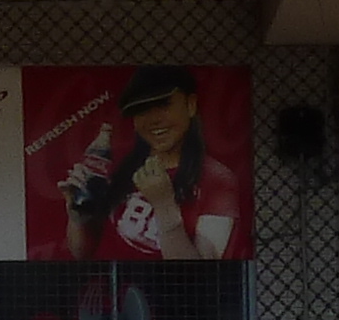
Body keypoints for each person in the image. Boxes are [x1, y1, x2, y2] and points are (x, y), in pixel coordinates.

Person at [58, 68, 240, 263]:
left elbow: (198, 275)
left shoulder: (217, 179)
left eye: (163, 105)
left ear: (190, 105)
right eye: (142, 110)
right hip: (108, 289)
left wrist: (164, 205)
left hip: (168, 294)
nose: (154, 120)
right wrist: (79, 218)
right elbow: (82, 252)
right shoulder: (117, 164)